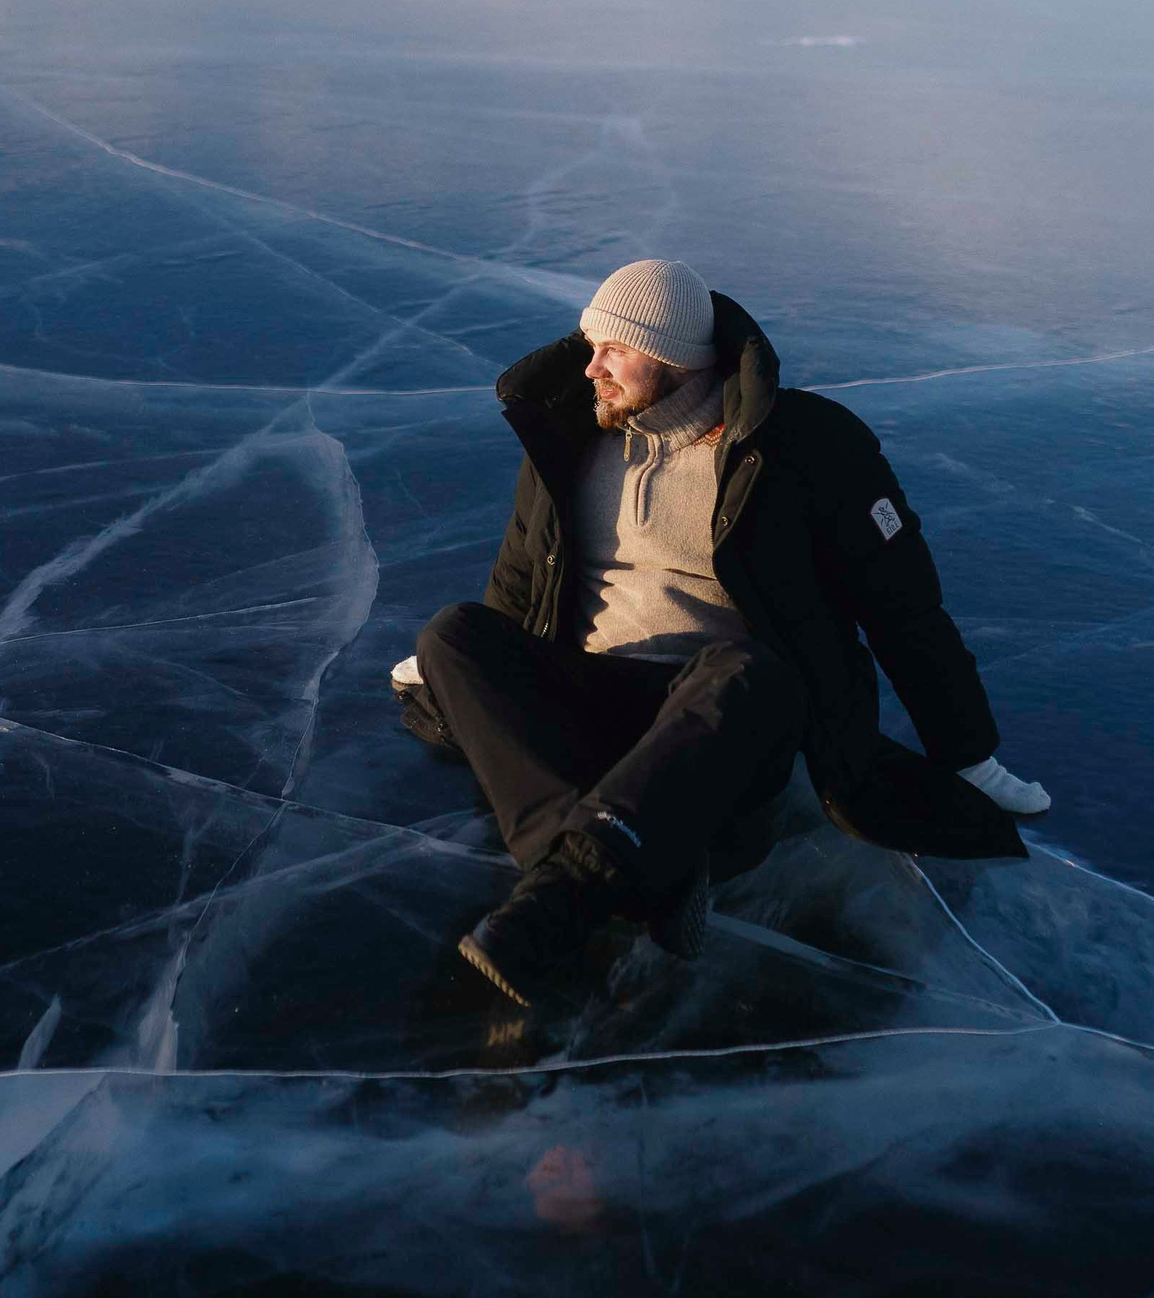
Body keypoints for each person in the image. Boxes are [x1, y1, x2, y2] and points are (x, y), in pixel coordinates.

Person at [409, 258, 1051, 1007]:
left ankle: (570, 889)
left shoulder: (803, 447)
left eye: (614, 348)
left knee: (755, 671)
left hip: (718, 721)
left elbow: (903, 606)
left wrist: (966, 751)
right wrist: (461, 666)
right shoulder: (572, 434)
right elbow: (522, 577)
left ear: (677, 356)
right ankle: (611, 866)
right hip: (593, 699)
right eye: (589, 343)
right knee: (453, 631)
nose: (591, 368)